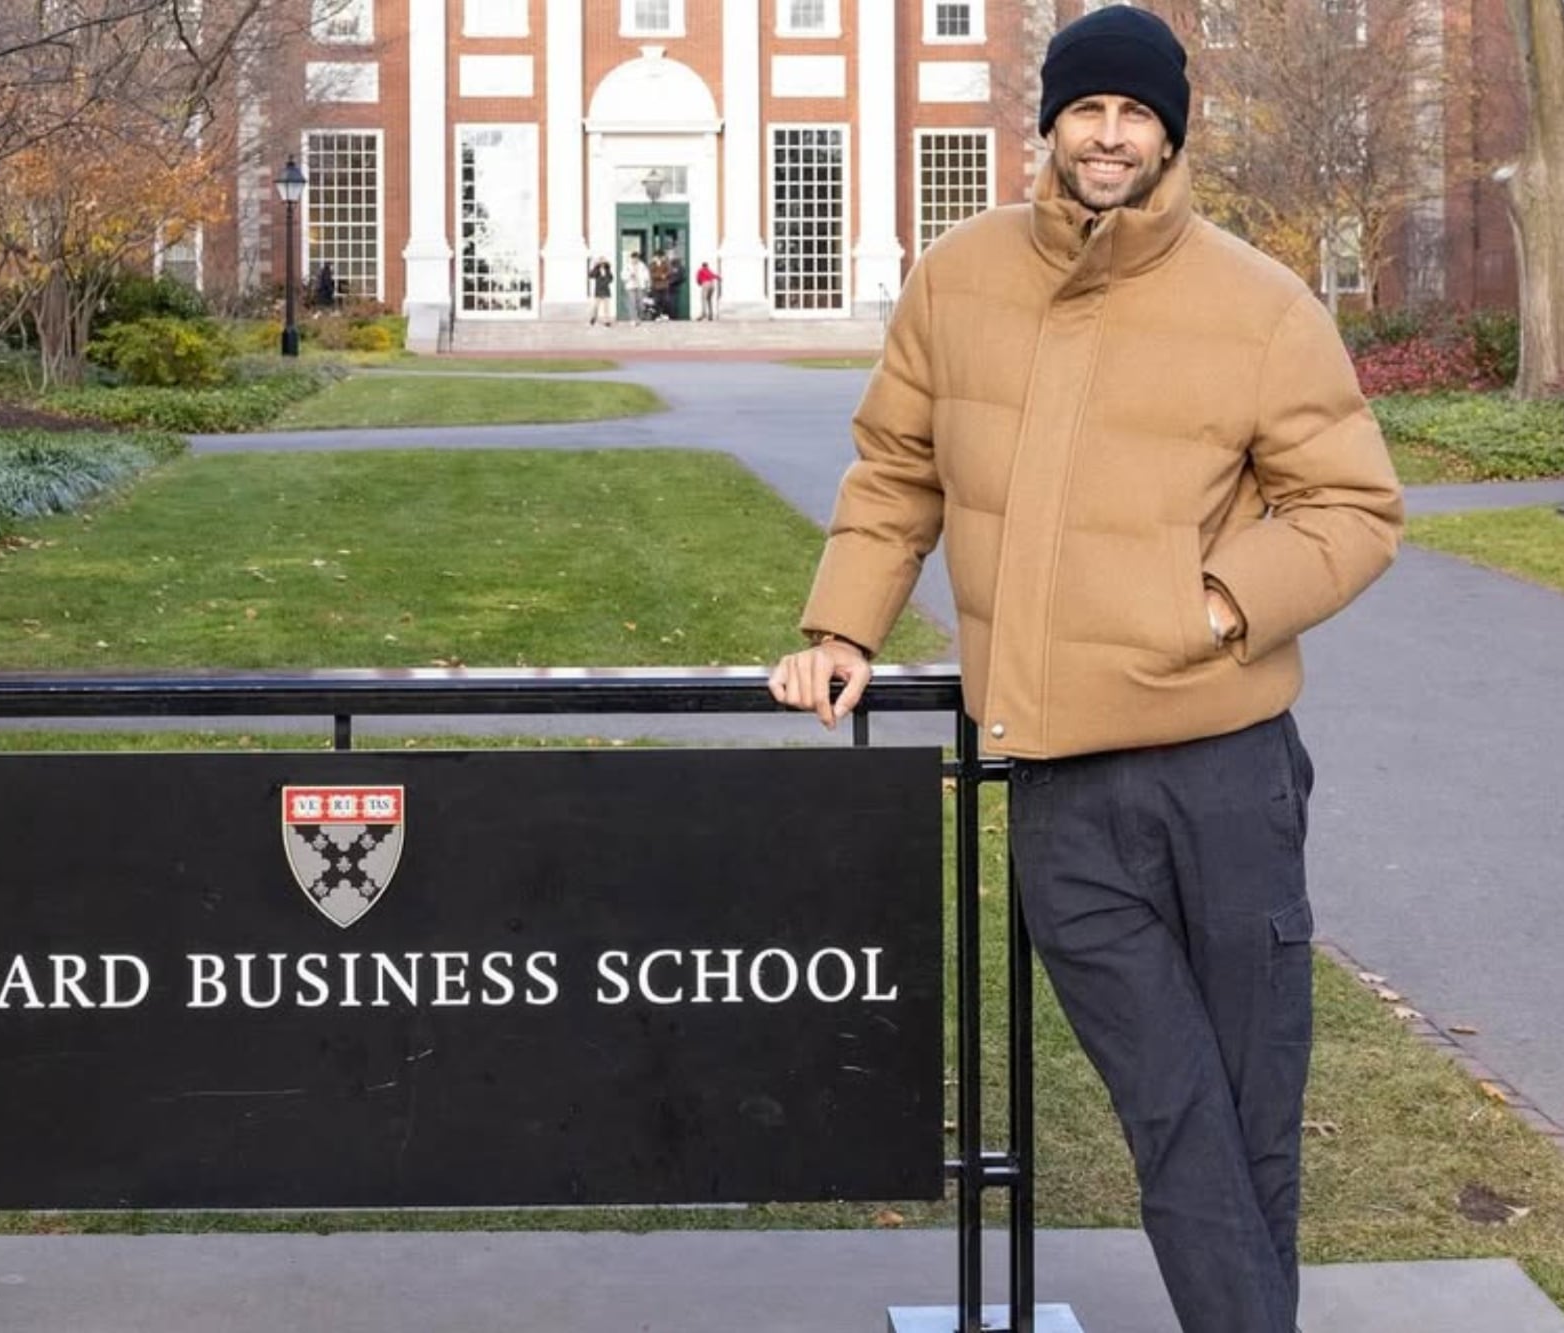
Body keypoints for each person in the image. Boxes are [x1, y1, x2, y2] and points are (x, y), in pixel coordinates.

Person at [766, 9, 1402, 1333]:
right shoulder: (958, 279)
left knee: (1246, 1118)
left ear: (1172, 129)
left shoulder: (1260, 304)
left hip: (1228, 779)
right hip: (1062, 790)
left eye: (1135, 114)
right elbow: (896, 472)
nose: (1109, 136)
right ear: (1048, 123)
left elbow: (1353, 506)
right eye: (1086, 111)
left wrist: (1217, 605)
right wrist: (843, 629)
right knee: (1174, 1112)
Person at [588, 256, 614, 327]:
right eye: (601, 262)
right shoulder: (596, 269)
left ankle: (607, 321)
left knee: (606, 307)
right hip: (598, 290)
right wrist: (595, 266)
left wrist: (606, 281)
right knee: (595, 306)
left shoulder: (608, 269)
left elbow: (611, 278)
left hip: (606, 290)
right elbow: (591, 275)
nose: (602, 264)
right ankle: (593, 318)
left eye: (603, 262)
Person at [624, 252, 649, 323]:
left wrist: (645, 282)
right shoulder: (627, 266)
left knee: (640, 303)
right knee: (632, 302)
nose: (634, 260)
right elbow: (623, 276)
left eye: (636, 258)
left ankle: (640, 317)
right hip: (631, 286)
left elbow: (646, 275)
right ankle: (633, 319)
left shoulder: (642, 266)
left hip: (640, 286)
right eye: (633, 258)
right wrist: (629, 275)